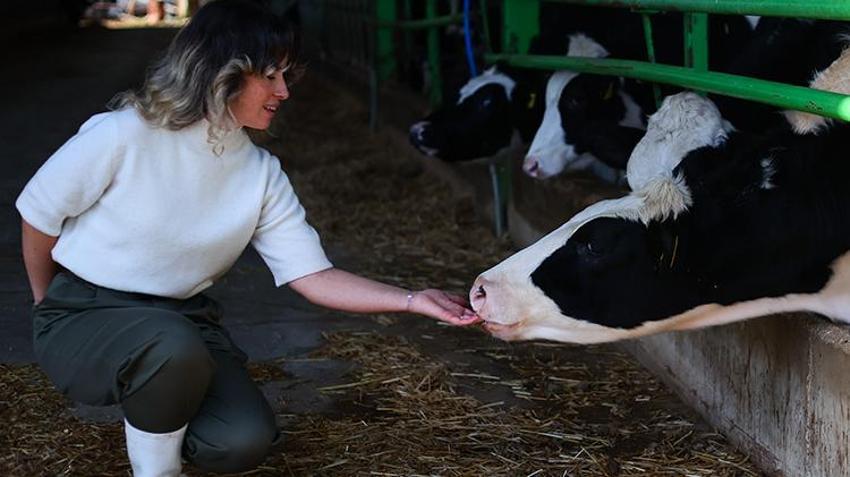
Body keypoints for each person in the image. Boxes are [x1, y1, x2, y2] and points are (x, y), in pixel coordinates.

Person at [17, 1, 480, 475]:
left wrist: (409, 300)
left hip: (183, 324)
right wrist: (45, 302)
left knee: (241, 441)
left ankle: (153, 407)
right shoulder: (122, 134)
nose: (283, 91)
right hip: (84, 311)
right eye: (270, 75)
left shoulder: (261, 174)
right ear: (222, 71)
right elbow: (38, 216)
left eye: (287, 76)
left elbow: (314, 275)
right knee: (170, 347)